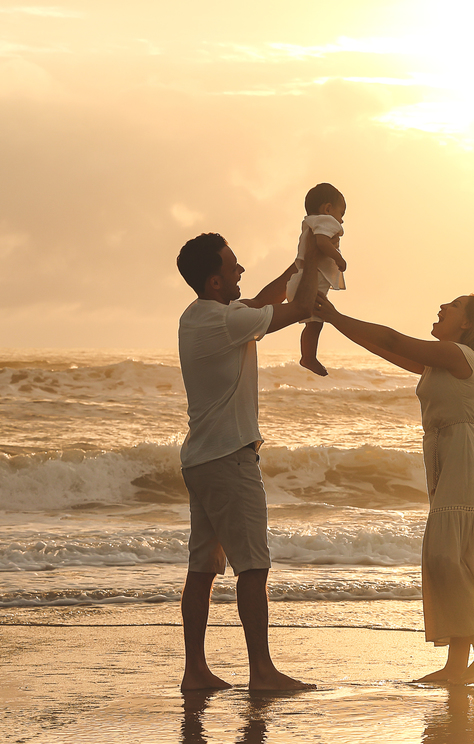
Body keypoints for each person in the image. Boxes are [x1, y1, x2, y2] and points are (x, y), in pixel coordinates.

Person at [313, 291, 474, 684]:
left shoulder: (458, 355)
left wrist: (334, 313)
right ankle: (457, 666)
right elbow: (382, 346)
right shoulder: (439, 364)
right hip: (447, 458)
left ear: (466, 324)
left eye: (452, 306)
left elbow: (393, 339)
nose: (442, 307)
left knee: (447, 558)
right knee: (455, 559)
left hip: (464, 458)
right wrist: (334, 321)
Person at [175, 232, 319, 692]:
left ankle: (195, 671)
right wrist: (314, 261)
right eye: (233, 266)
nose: (240, 271)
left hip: (200, 460)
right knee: (253, 567)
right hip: (229, 461)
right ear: (216, 281)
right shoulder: (225, 321)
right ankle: (262, 672)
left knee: (202, 568)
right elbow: (296, 310)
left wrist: (296, 266)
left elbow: (258, 301)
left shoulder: (197, 316)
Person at [288, 182, 347, 376]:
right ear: (328, 208)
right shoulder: (326, 222)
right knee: (315, 323)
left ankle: (308, 356)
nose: (341, 221)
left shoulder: (311, 222)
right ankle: (308, 357)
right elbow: (321, 242)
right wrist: (339, 258)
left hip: (299, 280)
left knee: (313, 323)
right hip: (310, 284)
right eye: (341, 214)